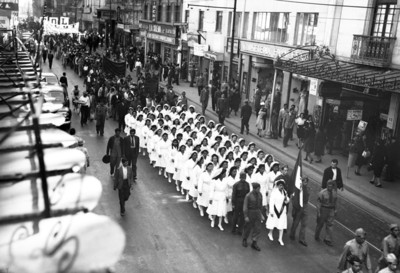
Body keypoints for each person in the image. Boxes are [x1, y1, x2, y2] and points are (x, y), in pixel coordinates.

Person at [266, 179, 290, 246]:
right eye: (280, 185)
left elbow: (287, 199)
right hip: (275, 210)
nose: (281, 187)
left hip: (282, 211)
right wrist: (271, 211)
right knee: (273, 223)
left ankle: (280, 238)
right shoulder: (274, 192)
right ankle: (270, 233)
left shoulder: (284, 192)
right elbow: (271, 202)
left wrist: (287, 200)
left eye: (282, 185)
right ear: (277, 186)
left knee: (281, 224)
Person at [315, 180, 337, 246]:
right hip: (324, 209)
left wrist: (335, 209)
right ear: (327, 186)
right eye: (328, 186)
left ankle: (327, 239)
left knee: (330, 224)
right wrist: (318, 212)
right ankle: (317, 236)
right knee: (320, 224)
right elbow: (318, 203)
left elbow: (335, 202)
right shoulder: (322, 193)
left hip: (331, 210)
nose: (329, 187)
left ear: (333, 187)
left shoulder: (334, 192)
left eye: (331, 186)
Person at [242, 182, 264, 251]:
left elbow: (260, 206)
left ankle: (254, 242)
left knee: (257, 228)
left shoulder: (260, 195)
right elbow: (245, 207)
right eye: (258, 188)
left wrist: (261, 215)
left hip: (257, 212)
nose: (259, 190)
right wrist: (246, 216)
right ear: (254, 189)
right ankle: (244, 239)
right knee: (248, 227)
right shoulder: (248, 196)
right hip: (250, 212)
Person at [289, 176, 310, 247]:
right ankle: (292, 234)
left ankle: (302, 239)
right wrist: (295, 207)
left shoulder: (307, 189)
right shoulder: (298, 190)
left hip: (305, 206)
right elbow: (292, 197)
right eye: (304, 182)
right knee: (296, 222)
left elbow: (307, 197)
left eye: (306, 182)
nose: (305, 183)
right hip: (299, 207)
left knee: (304, 224)